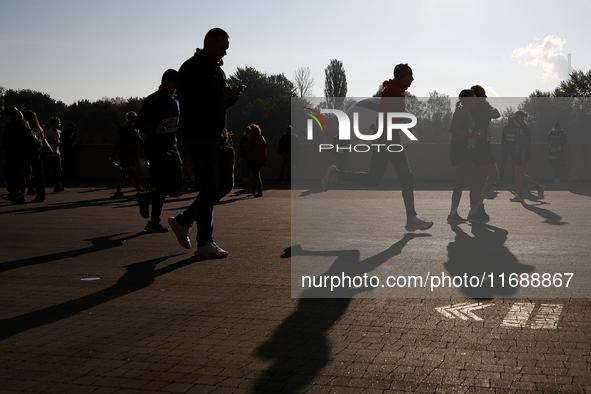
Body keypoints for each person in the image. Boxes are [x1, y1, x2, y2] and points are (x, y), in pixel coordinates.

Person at [320, 63, 433, 232]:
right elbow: (384, 118)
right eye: (410, 75)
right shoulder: (392, 92)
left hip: (388, 141)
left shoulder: (397, 91)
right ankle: (411, 219)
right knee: (406, 177)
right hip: (387, 142)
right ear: (402, 76)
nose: (413, 79)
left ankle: (338, 175)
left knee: (374, 179)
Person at [168, 28, 243, 259]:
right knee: (211, 185)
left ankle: (183, 220)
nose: (225, 54)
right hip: (198, 135)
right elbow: (193, 103)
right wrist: (221, 96)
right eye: (222, 48)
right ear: (209, 43)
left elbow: (214, 104)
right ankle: (204, 242)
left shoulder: (217, 70)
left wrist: (229, 99)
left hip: (216, 135)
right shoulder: (190, 68)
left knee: (224, 185)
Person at [135, 69, 183, 233]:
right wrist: (153, 130)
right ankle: (153, 222)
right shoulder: (153, 100)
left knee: (176, 184)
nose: (177, 85)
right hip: (155, 146)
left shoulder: (176, 100)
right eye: (175, 82)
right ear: (167, 82)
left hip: (172, 146)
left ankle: (146, 197)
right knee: (163, 183)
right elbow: (138, 123)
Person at [447, 89, 485, 224]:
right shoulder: (462, 111)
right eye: (473, 96)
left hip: (463, 149)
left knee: (461, 183)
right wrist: (470, 136)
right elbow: (451, 129)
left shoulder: (467, 112)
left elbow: (463, 130)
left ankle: (452, 214)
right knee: (477, 180)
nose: (475, 98)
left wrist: (476, 135)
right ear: (466, 99)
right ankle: (473, 214)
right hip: (459, 149)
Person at [470, 85, 500, 222]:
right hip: (478, 146)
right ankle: (474, 210)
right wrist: (489, 106)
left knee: (493, 175)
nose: (486, 96)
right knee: (480, 179)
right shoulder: (478, 108)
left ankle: (479, 204)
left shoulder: (481, 107)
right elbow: (496, 114)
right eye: (483, 94)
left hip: (484, 145)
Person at [511, 110, 544, 202]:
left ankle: (520, 194)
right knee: (520, 175)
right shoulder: (523, 126)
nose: (515, 120)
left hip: (523, 152)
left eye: (516, 118)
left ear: (520, 117)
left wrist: (522, 154)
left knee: (518, 174)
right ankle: (538, 187)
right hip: (524, 152)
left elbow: (524, 142)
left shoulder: (522, 127)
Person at [110, 111, 142, 198]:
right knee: (133, 169)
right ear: (128, 118)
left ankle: (118, 192)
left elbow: (141, 141)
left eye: (134, 117)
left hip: (132, 154)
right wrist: (113, 155)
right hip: (124, 154)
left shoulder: (135, 130)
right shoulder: (122, 129)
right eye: (132, 117)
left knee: (125, 172)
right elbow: (116, 142)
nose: (133, 119)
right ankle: (139, 190)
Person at [2, 107, 29, 204]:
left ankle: (16, 193)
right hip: (24, 153)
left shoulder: (10, 125)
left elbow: (7, 141)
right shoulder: (24, 124)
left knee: (7, 173)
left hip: (14, 153)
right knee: (19, 175)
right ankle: (19, 194)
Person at [23, 110, 47, 202]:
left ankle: (22, 191)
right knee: (39, 174)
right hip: (39, 153)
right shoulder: (39, 129)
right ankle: (41, 194)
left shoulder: (28, 129)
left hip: (31, 152)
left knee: (26, 171)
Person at [245, 124, 267, 197]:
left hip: (254, 158)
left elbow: (248, 148)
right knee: (255, 174)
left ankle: (259, 191)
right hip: (261, 158)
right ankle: (254, 189)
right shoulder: (261, 138)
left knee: (256, 175)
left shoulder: (252, 138)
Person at [44, 117, 65, 192]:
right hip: (49, 155)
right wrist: (54, 143)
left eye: (58, 124)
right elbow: (45, 142)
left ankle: (57, 186)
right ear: (52, 124)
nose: (57, 125)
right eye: (56, 124)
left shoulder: (59, 132)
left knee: (58, 170)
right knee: (45, 170)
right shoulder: (48, 133)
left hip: (56, 154)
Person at [499, 116, 518, 182]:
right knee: (503, 163)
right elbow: (503, 137)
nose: (510, 121)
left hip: (513, 147)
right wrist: (502, 146)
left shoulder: (517, 127)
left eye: (511, 120)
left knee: (514, 163)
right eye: (509, 120)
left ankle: (512, 178)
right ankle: (500, 177)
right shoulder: (506, 127)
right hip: (506, 146)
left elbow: (518, 138)